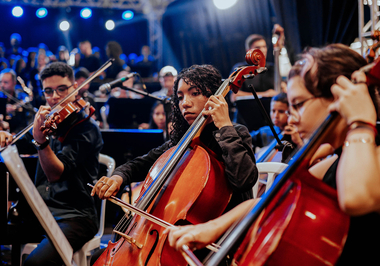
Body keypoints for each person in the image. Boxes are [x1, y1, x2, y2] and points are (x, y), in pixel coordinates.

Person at [166, 44, 380, 265]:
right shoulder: (337, 160)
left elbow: (357, 198)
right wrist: (211, 227)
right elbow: (268, 201)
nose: (292, 118)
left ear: (340, 99)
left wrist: (360, 122)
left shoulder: (372, 152)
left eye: (297, 105)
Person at [90, 64, 258, 264]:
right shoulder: (182, 142)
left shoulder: (235, 133)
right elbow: (139, 164)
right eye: (179, 97)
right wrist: (118, 177)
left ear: (214, 96)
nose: (185, 103)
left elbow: (244, 180)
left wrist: (224, 126)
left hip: (219, 242)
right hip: (179, 237)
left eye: (195, 93)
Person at [12, 62, 103, 266]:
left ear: (75, 87)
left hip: (75, 216)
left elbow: (56, 173)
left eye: (62, 89)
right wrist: (7, 137)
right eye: (49, 91)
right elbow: (22, 143)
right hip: (43, 212)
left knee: (35, 264)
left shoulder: (86, 128)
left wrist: (41, 142)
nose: (54, 97)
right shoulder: (48, 122)